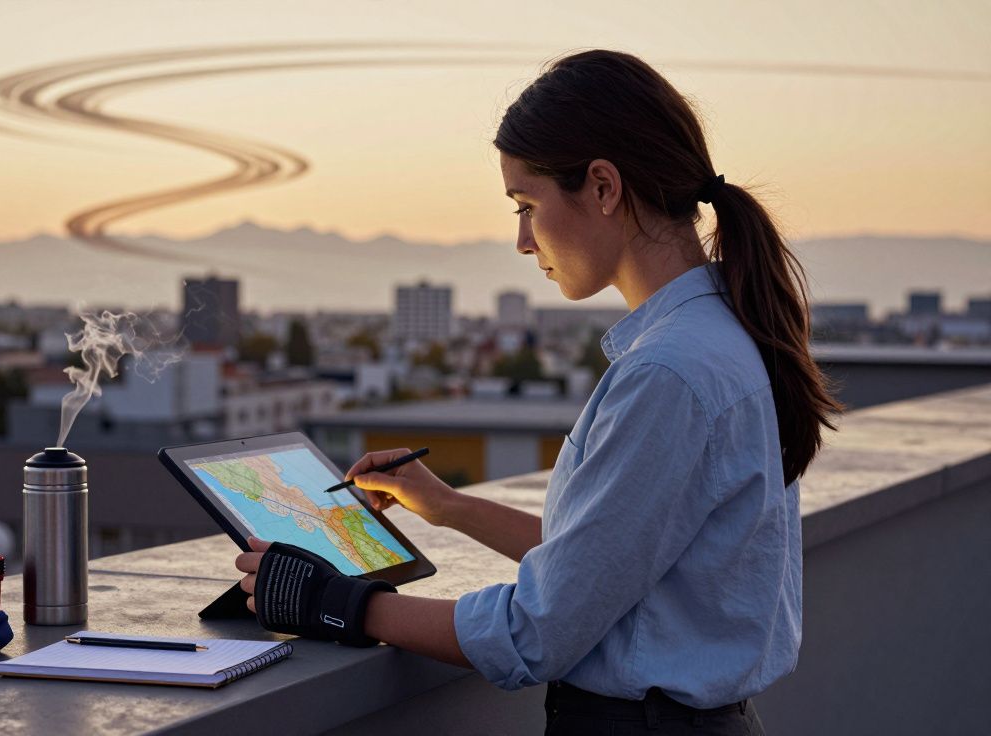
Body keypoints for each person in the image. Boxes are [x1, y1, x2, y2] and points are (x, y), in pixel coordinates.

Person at [233, 48, 843, 735]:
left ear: (604, 186)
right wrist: (450, 507)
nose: (523, 240)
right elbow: (606, 561)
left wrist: (336, 601)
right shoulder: (720, 336)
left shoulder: (667, 373)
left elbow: (536, 630)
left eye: (526, 204)